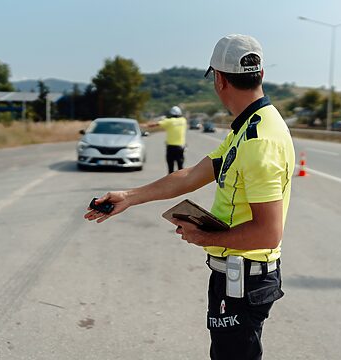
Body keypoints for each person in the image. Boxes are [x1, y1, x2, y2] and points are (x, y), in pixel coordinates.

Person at [85, 34, 295, 360]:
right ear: (261, 75)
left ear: (220, 79)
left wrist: (202, 235)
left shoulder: (260, 140)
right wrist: (129, 196)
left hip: (245, 280)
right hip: (234, 275)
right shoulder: (249, 126)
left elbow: (268, 232)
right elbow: (192, 175)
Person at [147, 105, 187, 173]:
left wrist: (162, 120)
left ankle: (171, 182)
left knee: (170, 167)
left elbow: (156, 124)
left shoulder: (168, 121)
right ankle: (182, 182)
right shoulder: (183, 121)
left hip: (171, 147)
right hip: (180, 147)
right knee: (180, 167)